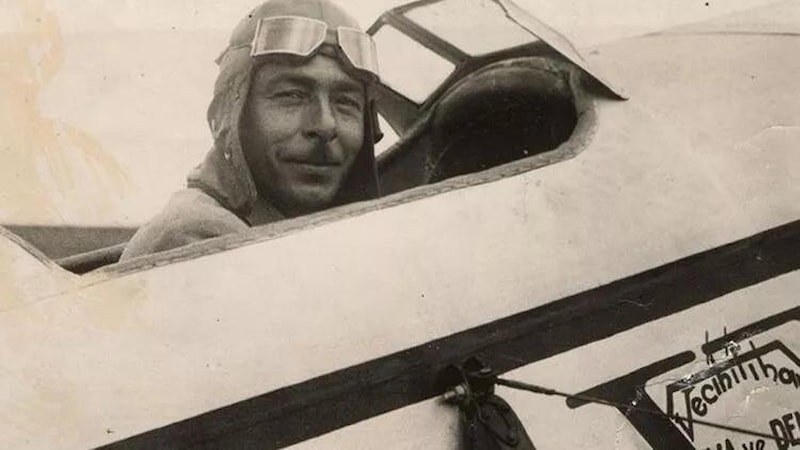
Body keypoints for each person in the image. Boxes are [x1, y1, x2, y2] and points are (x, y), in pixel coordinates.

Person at [121, 0, 381, 260]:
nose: (325, 125)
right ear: (228, 115)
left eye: (345, 102)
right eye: (292, 95)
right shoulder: (197, 236)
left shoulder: (293, 236)